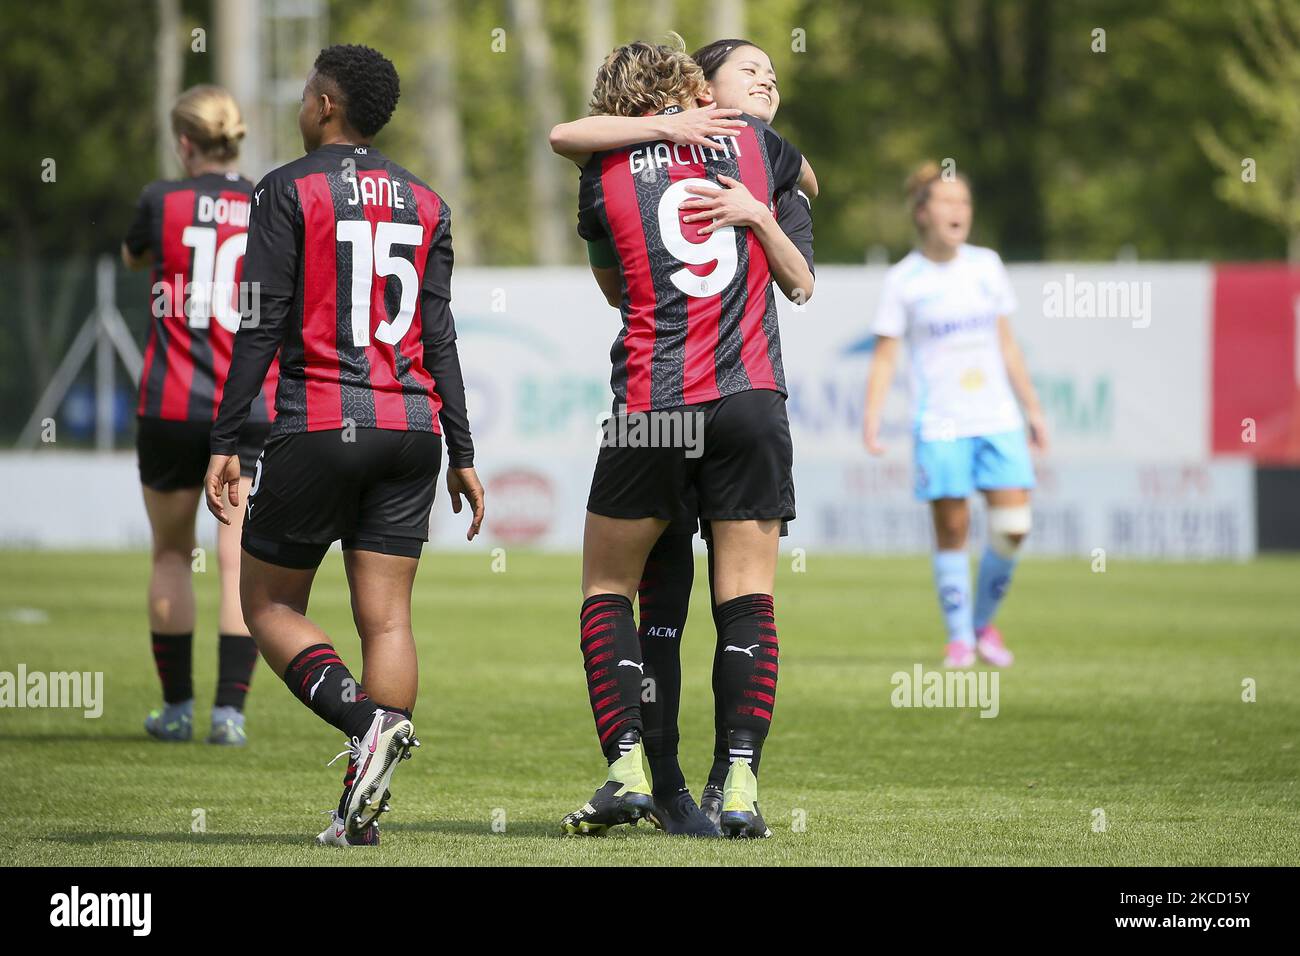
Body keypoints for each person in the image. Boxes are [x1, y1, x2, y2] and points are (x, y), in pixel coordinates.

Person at [203, 44, 484, 847]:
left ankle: (367, 726)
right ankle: (358, 819)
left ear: (326, 102)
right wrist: (461, 449)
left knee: (268, 605)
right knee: (387, 621)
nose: (299, 105)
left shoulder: (287, 187)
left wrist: (229, 439)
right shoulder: (428, 201)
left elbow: (260, 320)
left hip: (321, 421)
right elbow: (440, 336)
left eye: (303, 93)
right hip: (411, 429)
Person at [549, 37, 814, 837]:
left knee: (608, 589)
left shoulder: (602, 169)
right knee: (749, 600)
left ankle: (627, 765)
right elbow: (803, 242)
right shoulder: (757, 146)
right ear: (697, 88)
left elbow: (612, 286)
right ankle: (739, 785)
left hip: (653, 405)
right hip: (749, 400)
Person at [122, 84, 277, 746]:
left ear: (184, 142)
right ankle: (229, 714)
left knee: (169, 553)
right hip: (244, 411)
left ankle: (178, 709)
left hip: (169, 405)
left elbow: (134, 256)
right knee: (236, 560)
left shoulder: (160, 200)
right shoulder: (267, 200)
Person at [862, 162, 1048, 669]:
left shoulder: (987, 266)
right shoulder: (904, 279)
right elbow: (884, 356)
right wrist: (873, 417)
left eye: (964, 203)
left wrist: (1032, 408)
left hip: (997, 418)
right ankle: (960, 638)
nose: (958, 211)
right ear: (923, 213)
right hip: (940, 422)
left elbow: (1007, 345)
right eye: (947, 202)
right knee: (954, 530)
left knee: (1014, 526)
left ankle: (980, 622)